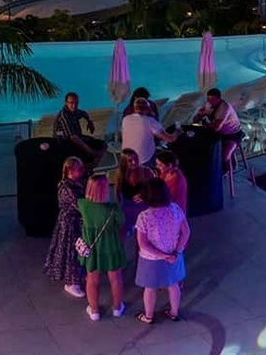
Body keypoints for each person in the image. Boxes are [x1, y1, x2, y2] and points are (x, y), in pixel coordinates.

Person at [133, 177, 189, 323]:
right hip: (174, 255)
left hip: (151, 259)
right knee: (173, 284)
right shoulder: (175, 209)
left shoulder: (144, 217)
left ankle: (148, 316)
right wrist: (177, 251)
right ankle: (174, 313)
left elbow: (143, 244)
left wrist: (163, 255)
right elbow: (186, 232)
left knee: (150, 288)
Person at [77, 173, 128, 321]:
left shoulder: (83, 205)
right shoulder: (113, 209)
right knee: (116, 279)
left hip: (93, 249)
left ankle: (94, 311)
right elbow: (121, 222)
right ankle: (117, 308)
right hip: (111, 247)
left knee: (92, 280)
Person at [44, 156, 89, 298]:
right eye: (78, 168)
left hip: (79, 222)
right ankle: (71, 283)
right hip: (70, 224)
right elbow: (78, 204)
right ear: (70, 169)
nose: (82, 170)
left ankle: (79, 276)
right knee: (71, 252)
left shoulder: (79, 183)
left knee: (79, 251)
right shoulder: (66, 187)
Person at [119, 93, 174, 166]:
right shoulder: (150, 120)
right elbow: (169, 139)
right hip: (144, 159)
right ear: (149, 108)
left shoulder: (125, 119)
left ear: (134, 108)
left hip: (126, 157)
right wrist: (178, 131)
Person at [52, 92, 101, 162]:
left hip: (77, 137)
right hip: (64, 142)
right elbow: (73, 138)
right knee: (90, 151)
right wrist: (91, 151)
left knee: (98, 143)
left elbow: (84, 113)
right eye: (71, 103)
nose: (74, 105)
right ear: (66, 103)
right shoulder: (64, 116)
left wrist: (90, 121)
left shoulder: (74, 111)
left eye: (76, 103)